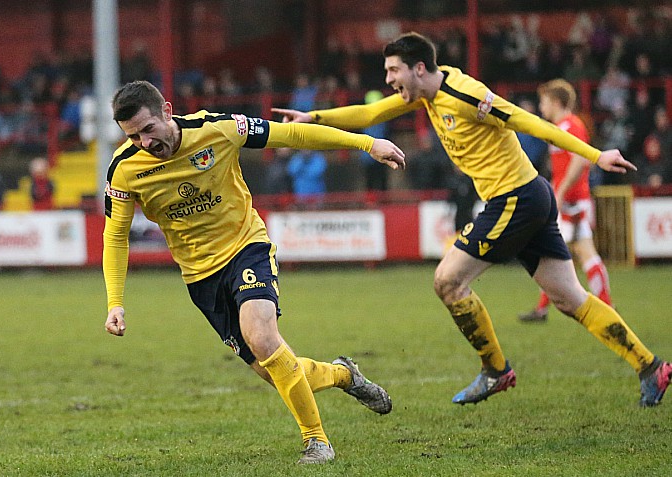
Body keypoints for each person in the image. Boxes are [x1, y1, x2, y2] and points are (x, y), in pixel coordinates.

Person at [272, 32, 671, 408]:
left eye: (394, 70)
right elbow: (370, 112)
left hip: (516, 199)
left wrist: (595, 154)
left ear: (419, 69)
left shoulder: (465, 94)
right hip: (530, 196)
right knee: (569, 297)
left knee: (448, 280)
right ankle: (650, 367)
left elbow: (526, 121)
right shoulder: (424, 97)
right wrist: (314, 118)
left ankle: (496, 370)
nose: (388, 79)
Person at [103, 80, 404, 464]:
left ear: (166, 110)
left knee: (262, 336)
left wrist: (365, 143)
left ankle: (317, 441)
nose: (145, 142)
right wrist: (115, 302)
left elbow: (291, 133)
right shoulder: (124, 169)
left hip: (246, 248)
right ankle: (344, 376)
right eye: (134, 136)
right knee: (272, 370)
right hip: (200, 277)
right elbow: (115, 237)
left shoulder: (219, 128)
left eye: (148, 129)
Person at [518, 79, 612, 322]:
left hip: (573, 202)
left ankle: (606, 307)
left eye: (544, 101)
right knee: (553, 253)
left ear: (556, 101)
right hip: (568, 200)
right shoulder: (562, 126)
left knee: (581, 252)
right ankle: (543, 309)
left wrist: (559, 194)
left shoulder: (571, 125)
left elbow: (581, 160)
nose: (541, 107)